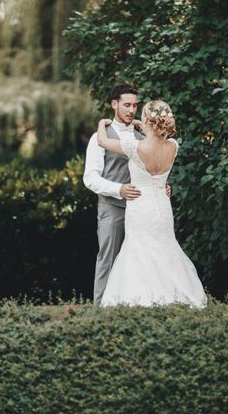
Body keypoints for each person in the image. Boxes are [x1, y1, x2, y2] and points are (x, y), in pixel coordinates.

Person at [96, 100, 207, 308]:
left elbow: (102, 142)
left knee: (139, 249)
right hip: (162, 205)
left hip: (140, 204)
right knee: (164, 247)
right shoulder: (173, 146)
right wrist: (144, 124)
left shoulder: (134, 147)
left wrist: (102, 124)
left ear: (148, 120)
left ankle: (141, 300)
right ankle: (171, 297)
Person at [83, 84, 147, 305]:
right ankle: (101, 310)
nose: (131, 110)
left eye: (135, 106)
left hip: (141, 210)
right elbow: (90, 178)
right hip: (112, 209)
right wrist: (118, 190)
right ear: (114, 104)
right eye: (127, 105)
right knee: (108, 260)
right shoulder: (99, 137)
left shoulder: (142, 136)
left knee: (139, 261)